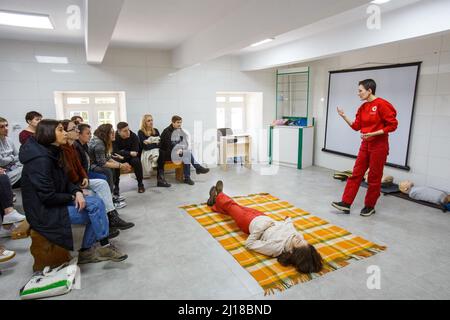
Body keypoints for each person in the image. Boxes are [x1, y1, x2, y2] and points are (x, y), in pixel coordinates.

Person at [19, 119, 127, 264]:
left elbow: (65, 180)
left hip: (55, 203)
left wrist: (76, 191)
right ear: (48, 133)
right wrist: (73, 195)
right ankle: (97, 247)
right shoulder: (40, 160)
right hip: (44, 212)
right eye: (60, 130)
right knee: (95, 210)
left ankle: (92, 249)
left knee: (97, 205)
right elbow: (47, 197)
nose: (65, 133)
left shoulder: (53, 152)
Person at [207, 180, 323, 274]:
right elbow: (290, 227)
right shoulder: (297, 236)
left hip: (248, 223)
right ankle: (215, 202)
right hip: (262, 216)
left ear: (293, 251)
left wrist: (261, 228)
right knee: (235, 207)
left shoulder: (276, 248)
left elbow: (249, 244)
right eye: (303, 240)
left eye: (298, 242)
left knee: (231, 206)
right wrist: (288, 220)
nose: (299, 238)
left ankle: (218, 195)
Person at [332, 79, 398, 217]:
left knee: (374, 177)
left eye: (360, 90)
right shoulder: (362, 108)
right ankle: (346, 203)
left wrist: (373, 133)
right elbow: (356, 127)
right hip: (365, 145)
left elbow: (392, 126)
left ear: (369, 91)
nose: (358, 93)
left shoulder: (382, 104)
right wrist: (344, 116)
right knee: (356, 174)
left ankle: (370, 206)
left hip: (379, 146)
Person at [61, 120, 134, 232]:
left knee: (106, 176)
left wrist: (119, 165)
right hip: (80, 179)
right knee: (106, 173)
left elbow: (81, 166)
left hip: (83, 176)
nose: (91, 135)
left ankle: (111, 211)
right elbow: (99, 163)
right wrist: (78, 188)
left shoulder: (78, 146)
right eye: (87, 133)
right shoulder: (77, 146)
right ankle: (110, 213)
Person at [159, 115, 209, 186]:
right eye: (177, 122)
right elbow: (168, 145)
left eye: (180, 122)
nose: (179, 124)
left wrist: (182, 149)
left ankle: (187, 177)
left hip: (178, 152)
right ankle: (197, 168)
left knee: (186, 155)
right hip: (167, 154)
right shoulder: (167, 131)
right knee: (187, 153)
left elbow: (185, 142)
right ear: (173, 123)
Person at [88, 124, 132, 203]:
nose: (113, 134)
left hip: (96, 163)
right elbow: (102, 163)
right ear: (105, 134)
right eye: (111, 132)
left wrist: (121, 165)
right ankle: (109, 200)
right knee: (107, 170)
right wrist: (121, 166)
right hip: (90, 166)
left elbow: (107, 158)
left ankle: (111, 196)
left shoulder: (102, 141)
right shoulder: (99, 143)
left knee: (112, 168)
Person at [113, 122, 145, 193]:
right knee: (115, 160)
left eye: (128, 129)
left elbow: (135, 152)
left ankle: (140, 184)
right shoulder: (114, 137)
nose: (128, 132)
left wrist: (123, 155)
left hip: (130, 158)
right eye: (125, 131)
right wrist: (129, 153)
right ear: (119, 132)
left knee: (136, 161)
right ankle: (116, 186)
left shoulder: (133, 136)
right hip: (120, 157)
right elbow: (115, 152)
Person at [138, 114, 167, 184]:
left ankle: (160, 179)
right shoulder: (140, 132)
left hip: (156, 151)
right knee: (161, 153)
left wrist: (151, 143)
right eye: (148, 121)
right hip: (146, 152)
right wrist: (155, 144)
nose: (151, 122)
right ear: (144, 122)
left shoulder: (155, 130)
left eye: (152, 120)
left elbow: (160, 143)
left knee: (162, 152)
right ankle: (160, 180)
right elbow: (145, 147)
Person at [0, 117, 22, 187]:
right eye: (2, 127)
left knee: (30, 167)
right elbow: (1, 162)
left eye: (6, 125)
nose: (6, 128)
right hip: (4, 172)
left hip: (13, 168)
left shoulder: (9, 140)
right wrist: (12, 158)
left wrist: (9, 159)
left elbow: (19, 156)